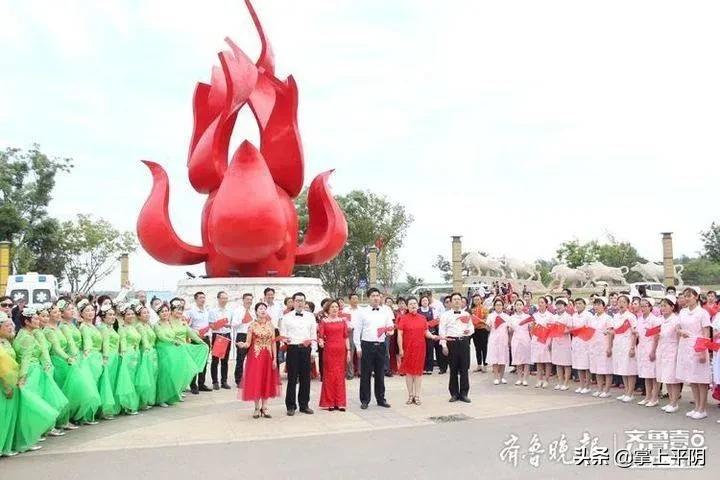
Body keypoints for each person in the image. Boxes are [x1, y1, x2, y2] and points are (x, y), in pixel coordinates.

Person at [1, 311, 57, 455]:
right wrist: (22, 377)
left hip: (12, 380)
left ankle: (7, 445)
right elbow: (24, 359)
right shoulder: (22, 338)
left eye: (11, 325)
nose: (11, 327)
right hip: (9, 381)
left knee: (12, 414)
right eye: (7, 325)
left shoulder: (9, 340)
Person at [354, 288, 394, 409]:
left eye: (377, 295)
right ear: (368, 297)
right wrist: (358, 347)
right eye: (373, 295)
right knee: (365, 374)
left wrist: (389, 331)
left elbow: (390, 326)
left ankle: (381, 399)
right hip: (367, 345)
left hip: (381, 345)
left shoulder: (385, 311)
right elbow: (357, 331)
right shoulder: (362, 312)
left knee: (380, 373)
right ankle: (365, 400)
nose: (376, 298)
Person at [237, 302, 279, 418]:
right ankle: (256, 408)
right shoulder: (252, 325)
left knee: (266, 380)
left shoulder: (271, 325)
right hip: (255, 357)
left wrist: (275, 358)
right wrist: (242, 344)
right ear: (256, 311)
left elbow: (273, 343)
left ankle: (264, 407)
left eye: (265, 308)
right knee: (256, 380)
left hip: (268, 356)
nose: (263, 310)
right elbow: (248, 343)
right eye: (260, 308)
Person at [676, 287, 712, 419]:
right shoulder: (683, 312)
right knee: (692, 379)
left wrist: (703, 351)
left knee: (701, 380)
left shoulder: (702, 313)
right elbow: (677, 327)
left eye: (689, 296)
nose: (686, 298)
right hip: (685, 347)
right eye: (685, 296)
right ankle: (696, 407)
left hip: (698, 347)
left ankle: (702, 409)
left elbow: (706, 333)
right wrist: (681, 332)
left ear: (696, 297)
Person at [280, 292, 317, 416]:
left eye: (302, 300)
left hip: (306, 349)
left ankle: (304, 405)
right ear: (293, 302)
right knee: (292, 379)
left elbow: (313, 335)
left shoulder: (311, 316)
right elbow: (283, 334)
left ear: (305, 302)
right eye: (297, 300)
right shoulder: (286, 317)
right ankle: (290, 406)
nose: (300, 303)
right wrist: (285, 340)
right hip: (293, 349)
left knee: (305, 378)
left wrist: (314, 351)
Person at [397, 297, 438, 405]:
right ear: (407, 306)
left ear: (417, 305)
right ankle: (410, 395)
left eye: (415, 303)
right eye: (410, 304)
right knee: (409, 373)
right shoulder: (403, 318)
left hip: (420, 349)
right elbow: (399, 335)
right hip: (408, 349)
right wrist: (401, 349)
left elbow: (426, 332)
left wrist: (433, 337)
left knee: (418, 373)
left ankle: (417, 395)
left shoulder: (422, 318)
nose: (413, 305)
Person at [154, 303, 195, 406]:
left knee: (172, 374)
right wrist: (173, 341)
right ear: (158, 313)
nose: (165, 313)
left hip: (172, 350)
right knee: (164, 374)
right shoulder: (157, 325)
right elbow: (161, 337)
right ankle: (161, 399)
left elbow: (182, 332)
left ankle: (172, 395)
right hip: (162, 350)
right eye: (162, 311)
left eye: (166, 311)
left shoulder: (169, 323)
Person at [439, 292, 473, 402]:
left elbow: (471, 328)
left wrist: (469, 331)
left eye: (459, 299)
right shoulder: (445, 315)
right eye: (455, 299)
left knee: (464, 369)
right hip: (451, 342)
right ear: (451, 302)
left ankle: (464, 393)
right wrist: (444, 345)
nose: (457, 301)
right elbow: (442, 331)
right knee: (453, 369)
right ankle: (454, 393)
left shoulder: (466, 314)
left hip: (463, 342)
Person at [318, 300, 350, 411]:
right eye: (332, 307)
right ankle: (329, 402)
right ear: (328, 309)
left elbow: (346, 337)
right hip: (329, 351)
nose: (335, 309)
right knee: (330, 376)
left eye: (336, 307)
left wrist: (349, 351)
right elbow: (321, 336)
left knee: (340, 376)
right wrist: (321, 342)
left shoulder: (343, 321)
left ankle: (340, 402)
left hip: (341, 351)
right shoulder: (324, 321)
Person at [651, 295, 681, 412]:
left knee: (673, 378)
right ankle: (670, 402)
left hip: (672, 350)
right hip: (661, 350)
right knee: (666, 377)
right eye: (661, 306)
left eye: (665, 306)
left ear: (672, 307)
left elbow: (678, 337)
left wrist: (679, 353)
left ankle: (674, 403)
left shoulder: (676, 320)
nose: (662, 308)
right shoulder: (660, 320)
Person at [610, 295, 638, 403]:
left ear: (628, 304)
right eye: (619, 302)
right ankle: (626, 392)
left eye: (623, 302)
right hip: (618, 345)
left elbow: (634, 333)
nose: (621, 304)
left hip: (627, 344)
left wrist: (632, 347)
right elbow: (614, 331)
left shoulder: (631, 316)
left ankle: (630, 393)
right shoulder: (616, 316)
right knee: (622, 369)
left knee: (629, 370)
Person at [186, 292, 212, 394]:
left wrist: (208, 334)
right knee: (195, 362)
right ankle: (193, 385)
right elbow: (188, 326)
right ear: (195, 299)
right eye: (201, 298)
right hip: (195, 339)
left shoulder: (206, 310)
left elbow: (208, 325)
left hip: (205, 339)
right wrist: (195, 335)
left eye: (204, 297)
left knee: (204, 362)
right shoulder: (191, 311)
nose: (203, 299)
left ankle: (202, 383)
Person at [636, 298, 660, 406]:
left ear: (650, 307)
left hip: (651, 347)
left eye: (645, 306)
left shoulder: (654, 320)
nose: (643, 308)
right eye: (641, 306)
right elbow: (639, 334)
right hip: (642, 348)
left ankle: (654, 398)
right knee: (646, 374)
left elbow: (656, 337)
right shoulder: (640, 319)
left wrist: (653, 351)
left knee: (654, 374)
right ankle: (647, 397)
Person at [134, 304, 158, 409]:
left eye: (148, 312)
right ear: (138, 316)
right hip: (145, 352)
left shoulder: (148, 325)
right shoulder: (139, 326)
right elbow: (144, 340)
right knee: (145, 377)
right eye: (144, 313)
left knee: (152, 376)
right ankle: (143, 400)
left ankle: (148, 399)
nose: (147, 314)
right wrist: (147, 350)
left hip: (152, 351)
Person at [588, 298, 613, 398]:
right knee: (597, 369)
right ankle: (599, 389)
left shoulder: (608, 318)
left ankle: (607, 390)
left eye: (599, 304)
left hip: (604, 346)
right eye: (595, 305)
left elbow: (611, 333)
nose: (596, 307)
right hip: (594, 346)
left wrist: (609, 347)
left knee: (606, 369)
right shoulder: (592, 318)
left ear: (604, 306)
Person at [209, 291, 232, 390]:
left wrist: (228, 325)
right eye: (222, 298)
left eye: (226, 298)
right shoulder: (213, 311)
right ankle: (215, 381)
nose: (224, 300)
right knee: (215, 360)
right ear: (218, 299)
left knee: (225, 360)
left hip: (227, 334)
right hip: (218, 336)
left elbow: (232, 323)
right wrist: (220, 324)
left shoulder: (230, 311)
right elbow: (211, 325)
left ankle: (224, 381)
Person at [231, 293, 254, 387]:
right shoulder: (238, 310)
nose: (249, 301)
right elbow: (233, 324)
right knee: (240, 359)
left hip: (252, 336)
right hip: (242, 335)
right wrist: (242, 321)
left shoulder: (253, 311)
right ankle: (239, 380)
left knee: (251, 359)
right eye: (247, 299)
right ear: (243, 300)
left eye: (251, 299)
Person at [486, 298, 511, 385]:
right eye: (497, 305)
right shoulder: (490, 316)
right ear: (494, 306)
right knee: (495, 358)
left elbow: (509, 329)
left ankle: (502, 376)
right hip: (494, 338)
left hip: (504, 338)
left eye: (500, 305)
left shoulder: (507, 317)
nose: (499, 307)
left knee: (502, 358)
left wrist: (510, 334)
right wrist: (487, 325)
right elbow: (488, 329)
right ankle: (496, 377)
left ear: (503, 306)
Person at [570, 298, 593, 394]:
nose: (578, 305)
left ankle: (587, 386)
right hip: (576, 341)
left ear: (584, 305)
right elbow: (571, 327)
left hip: (585, 342)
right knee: (578, 365)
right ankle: (581, 385)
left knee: (586, 365)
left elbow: (590, 329)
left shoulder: (589, 315)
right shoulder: (574, 315)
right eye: (576, 303)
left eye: (580, 303)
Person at [531, 297, 553, 388]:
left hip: (546, 339)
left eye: (542, 302)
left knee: (547, 360)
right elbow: (532, 328)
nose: (540, 304)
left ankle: (546, 380)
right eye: (539, 302)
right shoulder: (535, 315)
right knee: (538, 360)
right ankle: (539, 379)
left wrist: (550, 340)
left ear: (546, 304)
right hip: (537, 339)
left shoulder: (550, 316)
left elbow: (552, 329)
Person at [551, 298, 572, 391]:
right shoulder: (554, 317)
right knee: (558, 363)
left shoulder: (568, 317)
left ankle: (566, 383)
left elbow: (570, 329)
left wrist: (562, 330)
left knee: (566, 363)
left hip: (565, 342)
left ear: (565, 306)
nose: (559, 306)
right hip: (556, 341)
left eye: (561, 305)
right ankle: (560, 382)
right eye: (557, 304)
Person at [509, 299, 531, 386]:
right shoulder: (511, 317)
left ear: (523, 306)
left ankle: (525, 378)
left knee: (526, 359)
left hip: (526, 338)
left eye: (520, 304)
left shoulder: (527, 317)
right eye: (517, 305)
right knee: (517, 358)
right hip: (516, 338)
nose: (519, 306)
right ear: (514, 307)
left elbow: (530, 329)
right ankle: (519, 378)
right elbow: (510, 330)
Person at [343, 293, 362, 379]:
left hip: (361, 333)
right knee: (350, 353)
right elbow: (342, 322)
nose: (355, 300)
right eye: (353, 298)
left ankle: (360, 371)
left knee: (361, 353)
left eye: (356, 298)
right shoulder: (345, 310)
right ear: (349, 300)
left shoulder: (362, 310)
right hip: (350, 333)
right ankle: (350, 373)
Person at [470, 294, 489, 373]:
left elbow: (487, 320)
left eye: (478, 299)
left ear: (481, 300)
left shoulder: (485, 309)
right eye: (475, 300)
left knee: (484, 348)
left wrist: (479, 320)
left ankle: (485, 365)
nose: (477, 301)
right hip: (475, 330)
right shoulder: (472, 310)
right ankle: (479, 365)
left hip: (483, 329)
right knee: (477, 347)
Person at [417, 296, 437, 375]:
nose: (425, 302)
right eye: (423, 301)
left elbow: (436, 320)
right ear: (420, 302)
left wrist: (429, 324)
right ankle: (423, 368)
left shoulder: (432, 310)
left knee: (430, 350)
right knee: (422, 351)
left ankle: (429, 368)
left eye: (426, 300)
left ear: (428, 302)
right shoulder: (418, 311)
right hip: (420, 333)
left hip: (430, 332)